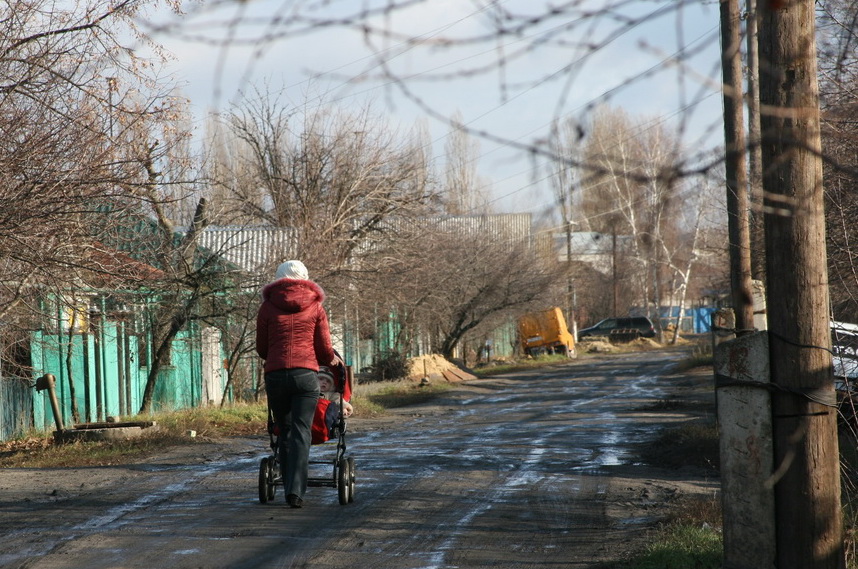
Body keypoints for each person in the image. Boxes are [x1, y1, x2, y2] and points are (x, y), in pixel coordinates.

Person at [256, 260, 341, 508]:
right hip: (305, 376)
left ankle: (285, 482)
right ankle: (296, 491)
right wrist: (330, 360)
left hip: (276, 374)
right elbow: (325, 350)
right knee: (302, 431)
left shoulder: (268, 307)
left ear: (278, 279)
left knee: (284, 428)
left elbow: (262, 348)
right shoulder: (315, 307)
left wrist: (276, 354)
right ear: (305, 278)